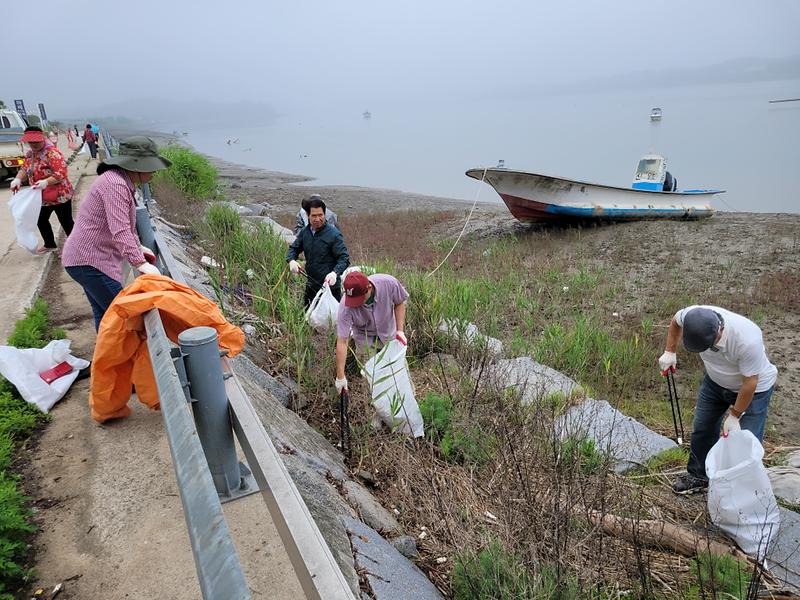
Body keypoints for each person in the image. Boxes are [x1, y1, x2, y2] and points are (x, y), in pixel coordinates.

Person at [658, 305, 778, 494]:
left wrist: (735, 415)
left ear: (719, 331)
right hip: (715, 383)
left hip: (754, 391)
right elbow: (675, 320)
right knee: (703, 428)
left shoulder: (747, 339)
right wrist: (670, 351)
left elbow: (750, 383)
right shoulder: (692, 314)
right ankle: (698, 476)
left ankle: (743, 492)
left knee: (746, 441)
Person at [61, 137, 170, 330]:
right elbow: (120, 231)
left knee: (104, 316)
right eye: (151, 167)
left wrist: (137, 247)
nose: (154, 172)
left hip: (86, 259)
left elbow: (126, 226)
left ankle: (105, 359)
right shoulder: (115, 185)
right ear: (136, 166)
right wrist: (140, 263)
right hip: (88, 261)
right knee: (127, 317)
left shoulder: (118, 180)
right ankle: (124, 358)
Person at [334, 271, 408, 393]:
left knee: (399, 373)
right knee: (370, 379)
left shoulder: (388, 283)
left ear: (369, 288)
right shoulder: (346, 306)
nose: (355, 304)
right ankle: (373, 407)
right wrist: (340, 377)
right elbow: (342, 340)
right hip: (364, 339)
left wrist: (400, 331)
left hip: (389, 334)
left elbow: (400, 302)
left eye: (358, 299)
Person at [10, 126, 75, 254]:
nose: (33, 145)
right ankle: (50, 243)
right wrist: (17, 179)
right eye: (31, 142)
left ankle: (76, 248)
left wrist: (46, 181)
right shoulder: (30, 154)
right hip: (41, 196)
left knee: (66, 221)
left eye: (36, 142)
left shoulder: (53, 153)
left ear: (42, 139)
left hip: (60, 195)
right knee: (40, 219)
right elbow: (24, 169)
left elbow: (61, 173)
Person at [287, 197, 349, 307]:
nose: (318, 219)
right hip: (311, 284)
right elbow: (294, 248)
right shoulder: (305, 233)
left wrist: (335, 273)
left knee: (331, 321)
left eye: (320, 215)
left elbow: (344, 258)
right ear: (307, 215)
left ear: (324, 214)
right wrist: (291, 260)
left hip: (330, 287)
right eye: (314, 216)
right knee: (308, 318)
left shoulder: (334, 234)